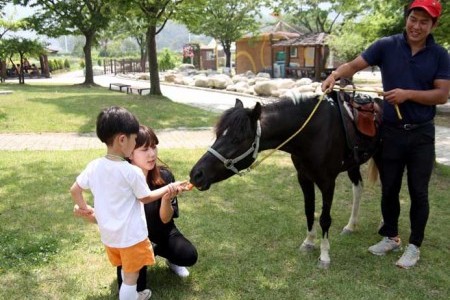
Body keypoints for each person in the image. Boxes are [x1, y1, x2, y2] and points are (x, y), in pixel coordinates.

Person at [321, 0, 450, 269]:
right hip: (390, 131)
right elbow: (354, 65)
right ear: (408, 18)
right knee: (389, 188)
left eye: (424, 22)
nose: (416, 26)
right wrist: (334, 75)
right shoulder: (387, 45)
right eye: (413, 19)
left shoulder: (439, 55)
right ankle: (391, 236)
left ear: (433, 25)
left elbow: (442, 94)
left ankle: (414, 246)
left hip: (421, 134)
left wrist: (407, 94)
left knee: (418, 191)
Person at [70, 106, 188, 300]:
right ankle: (132, 296)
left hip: (110, 239)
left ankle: (135, 293)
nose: (135, 144)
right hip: (132, 239)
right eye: (135, 140)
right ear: (122, 140)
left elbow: (75, 189)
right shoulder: (130, 172)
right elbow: (146, 197)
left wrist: (84, 208)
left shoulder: (94, 166)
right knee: (130, 279)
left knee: (127, 275)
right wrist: (169, 188)